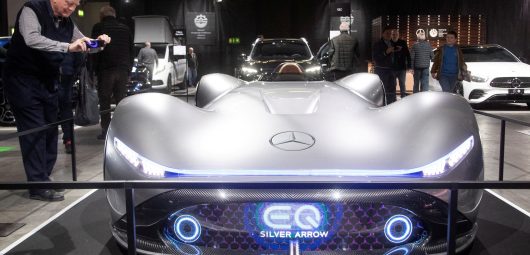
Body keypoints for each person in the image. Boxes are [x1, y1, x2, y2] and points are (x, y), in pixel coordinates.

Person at [2, 0, 110, 201]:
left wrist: (99, 43)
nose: (72, 9)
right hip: (22, 81)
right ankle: (37, 184)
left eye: (75, 6)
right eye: (69, 4)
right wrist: (68, 47)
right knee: (35, 130)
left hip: (48, 81)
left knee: (52, 128)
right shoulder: (32, 9)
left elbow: (84, 43)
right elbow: (32, 39)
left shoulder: (67, 22)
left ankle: (45, 178)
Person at [91, 5, 134, 140]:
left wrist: (93, 70)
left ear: (101, 16)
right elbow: (131, 51)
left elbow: (94, 51)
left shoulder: (98, 27)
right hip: (122, 70)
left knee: (104, 101)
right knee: (121, 101)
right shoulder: (125, 29)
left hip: (106, 70)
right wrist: (129, 68)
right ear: (114, 15)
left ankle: (106, 130)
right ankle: (121, 130)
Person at [58, 52, 84, 154]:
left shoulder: (45, 35)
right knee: (66, 108)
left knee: (50, 108)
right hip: (67, 73)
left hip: (51, 73)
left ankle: (47, 142)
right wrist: (74, 72)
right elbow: (79, 57)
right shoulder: (70, 36)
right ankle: (68, 141)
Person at [373, 26, 397, 104]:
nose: (389, 35)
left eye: (390, 33)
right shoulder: (377, 44)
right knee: (383, 90)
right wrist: (385, 52)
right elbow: (376, 58)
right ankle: (382, 106)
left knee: (392, 90)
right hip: (382, 71)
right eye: (387, 33)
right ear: (382, 34)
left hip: (392, 70)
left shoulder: (393, 44)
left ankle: (391, 105)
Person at [390, 29, 411, 98]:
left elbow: (408, 54)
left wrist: (409, 66)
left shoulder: (403, 42)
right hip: (391, 68)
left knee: (402, 84)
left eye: (396, 34)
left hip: (402, 68)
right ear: (391, 35)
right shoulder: (388, 43)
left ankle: (403, 98)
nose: (394, 36)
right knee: (392, 84)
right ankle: (392, 99)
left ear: (398, 35)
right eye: (393, 34)